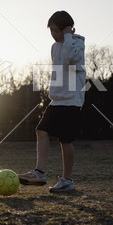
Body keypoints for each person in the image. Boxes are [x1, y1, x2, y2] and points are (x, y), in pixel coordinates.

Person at [18, 10, 86, 193]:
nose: (53, 35)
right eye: (51, 31)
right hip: (57, 100)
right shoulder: (54, 46)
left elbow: (70, 60)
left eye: (57, 31)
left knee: (65, 141)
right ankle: (40, 172)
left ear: (67, 29)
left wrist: (68, 37)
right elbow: (60, 68)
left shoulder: (77, 42)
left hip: (72, 101)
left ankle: (67, 181)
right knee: (41, 130)